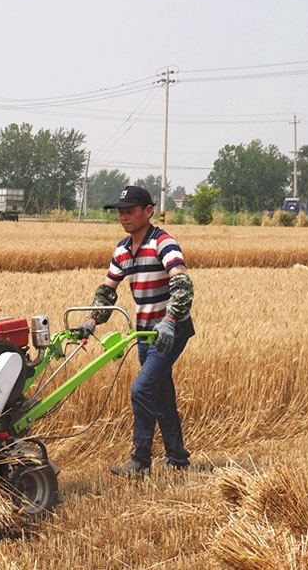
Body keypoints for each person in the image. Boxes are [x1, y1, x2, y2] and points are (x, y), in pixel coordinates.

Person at [75, 186, 195, 476]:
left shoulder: (163, 243)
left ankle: (140, 460)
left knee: (142, 389)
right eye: (121, 212)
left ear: (148, 211)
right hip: (143, 333)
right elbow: (107, 291)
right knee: (161, 393)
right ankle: (177, 457)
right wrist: (91, 321)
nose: (124, 217)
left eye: (130, 211)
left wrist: (169, 320)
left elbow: (183, 284)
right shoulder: (122, 250)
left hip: (169, 332)